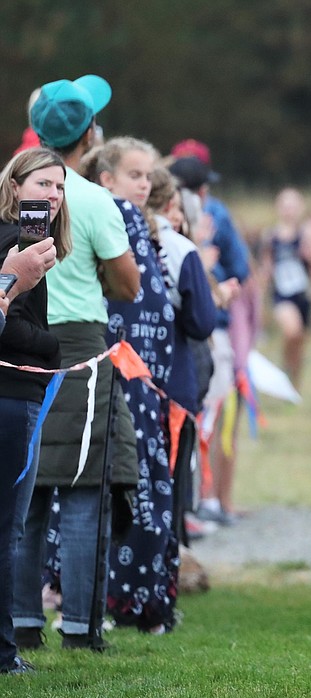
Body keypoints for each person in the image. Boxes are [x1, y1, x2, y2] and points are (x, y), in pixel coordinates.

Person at [14, 76, 141, 652]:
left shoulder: (10, 190)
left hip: (15, 344)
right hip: (82, 347)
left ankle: (19, 620)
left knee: (27, 488)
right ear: (90, 134)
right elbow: (127, 283)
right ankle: (82, 628)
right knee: (85, 488)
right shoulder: (93, 199)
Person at [85, 137, 181, 634]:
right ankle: (126, 601)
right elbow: (130, 300)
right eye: (134, 174)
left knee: (140, 485)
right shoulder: (113, 217)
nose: (144, 184)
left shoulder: (140, 225)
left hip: (146, 382)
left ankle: (136, 599)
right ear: (107, 179)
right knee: (132, 486)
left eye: (148, 176)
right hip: (126, 378)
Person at [0, 151, 63, 672]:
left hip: (19, 392)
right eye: (43, 183)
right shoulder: (16, 245)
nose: (53, 195)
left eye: (61, 187)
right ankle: (4, 651)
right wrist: (52, 348)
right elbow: (11, 324)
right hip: (13, 392)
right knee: (9, 527)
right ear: (15, 186)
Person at [168, 142, 250, 528]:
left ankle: (198, 504)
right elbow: (240, 269)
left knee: (197, 417)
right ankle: (204, 504)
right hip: (208, 330)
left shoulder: (150, 214)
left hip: (169, 332)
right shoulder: (213, 213)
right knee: (208, 417)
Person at [145, 164, 217, 545]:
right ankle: (167, 570)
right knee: (171, 480)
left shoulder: (122, 236)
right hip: (174, 377)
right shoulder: (180, 248)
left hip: (128, 377)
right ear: (172, 202)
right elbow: (203, 322)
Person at [258, 187, 311, 389]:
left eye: (293, 206)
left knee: (299, 339)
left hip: (304, 293)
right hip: (282, 295)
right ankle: (286, 370)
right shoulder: (270, 236)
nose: (289, 210)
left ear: (301, 208)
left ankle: (293, 381)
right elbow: (266, 267)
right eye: (285, 206)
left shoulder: (308, 233)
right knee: (292, 331)